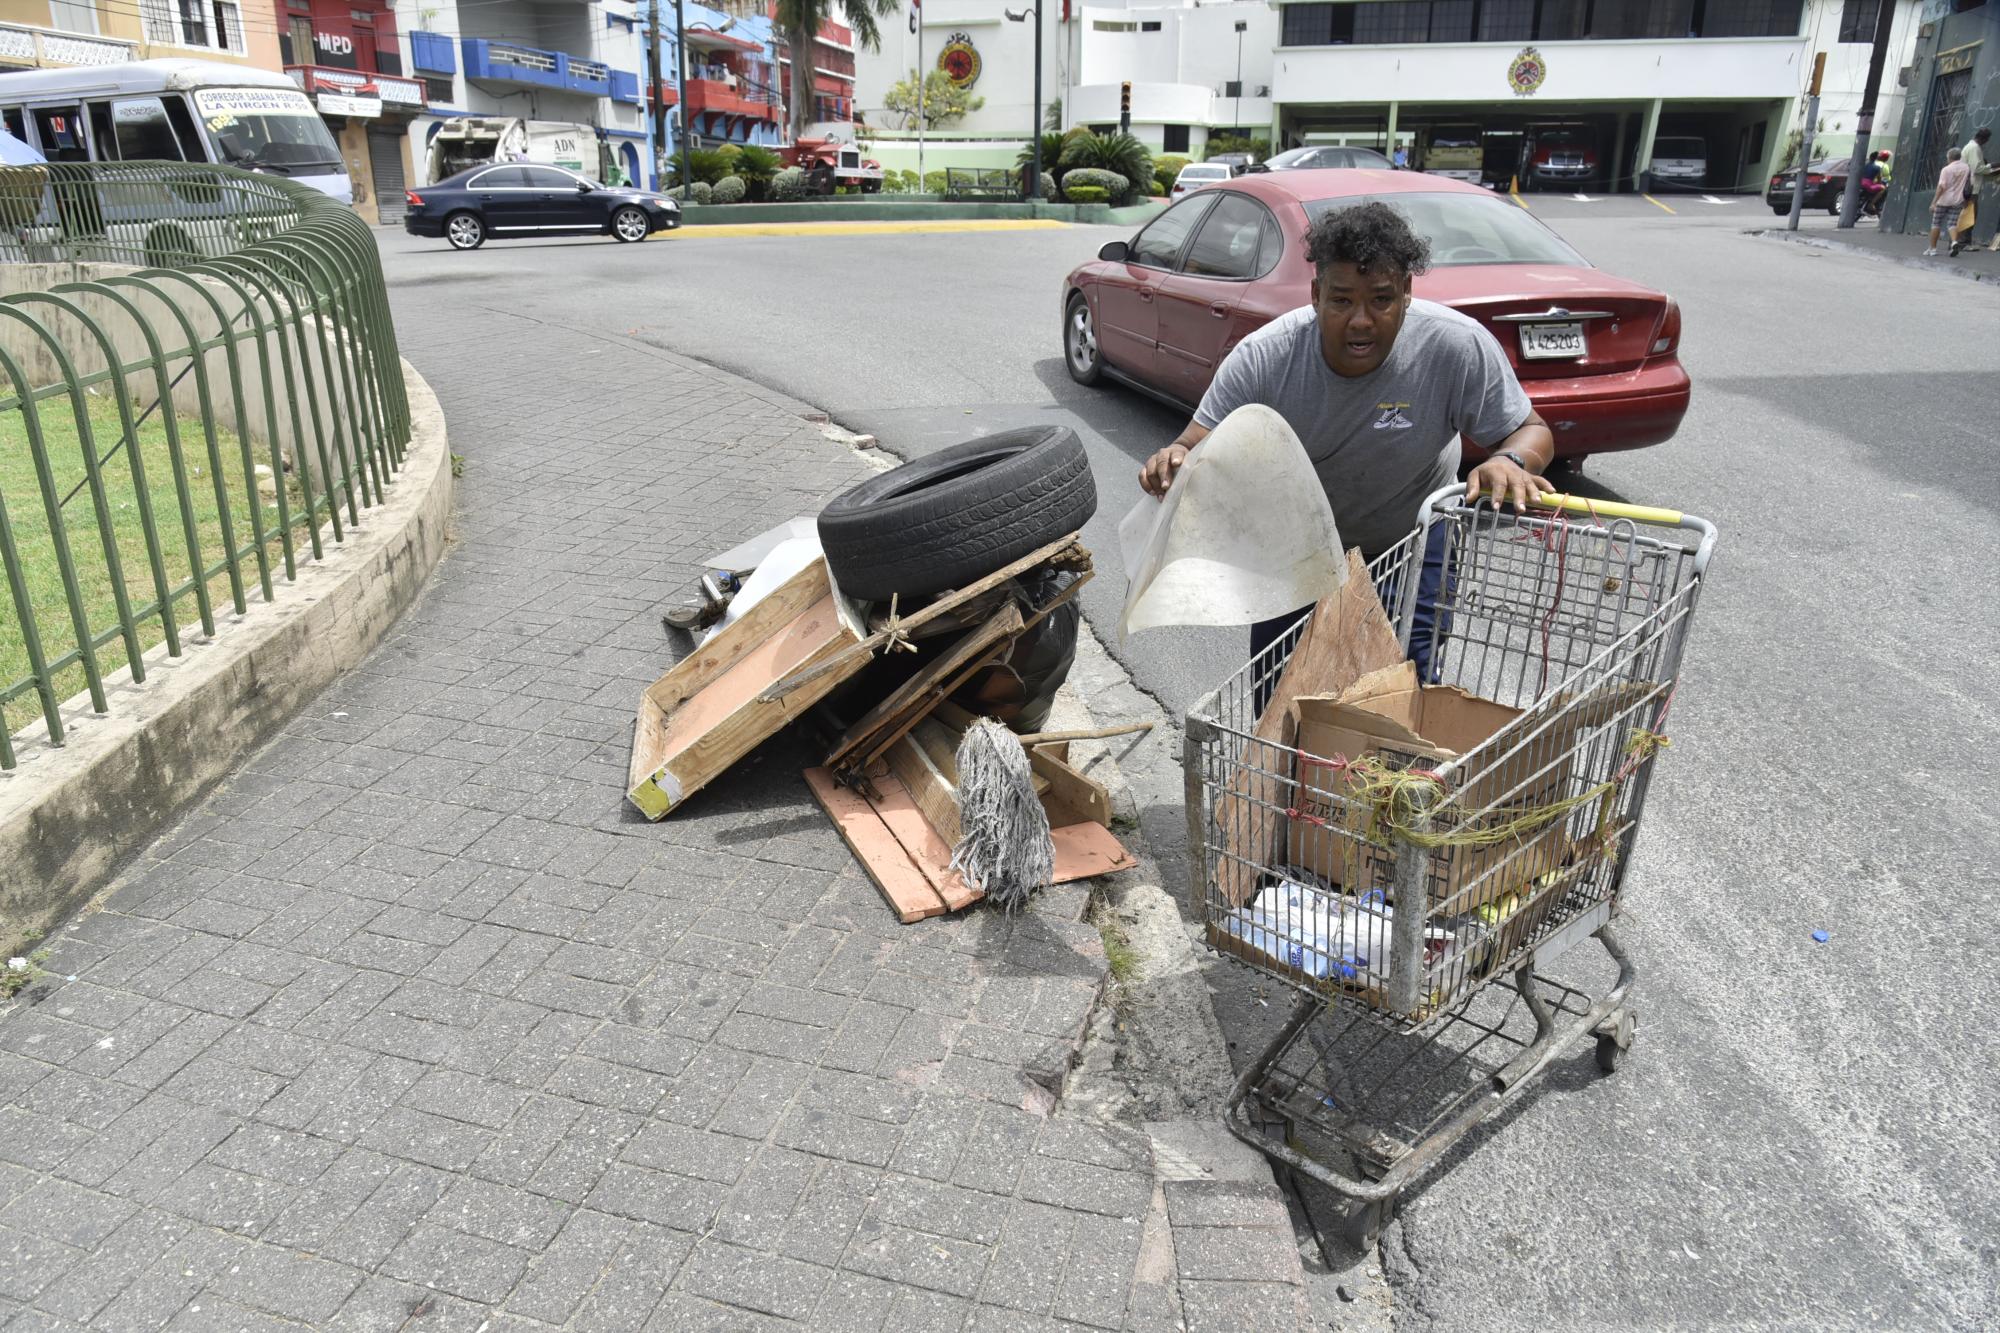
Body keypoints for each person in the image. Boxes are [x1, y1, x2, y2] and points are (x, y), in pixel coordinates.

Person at [1137, 201, 1555, 684]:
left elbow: (1532, 430)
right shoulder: (1266, 357)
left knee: (1404, 687)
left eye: (1381, 300)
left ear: (1407, 293)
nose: (1361, 320)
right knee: (1284, 694)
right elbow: (1194, 442)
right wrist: (1173, 460)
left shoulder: (1454, 346)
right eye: (1341, 301)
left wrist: (1509, 459)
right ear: (1315, 295)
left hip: (1413, 540)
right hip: (1297, 546)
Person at [1952, 126, 1990, 256]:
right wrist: (1991, 167)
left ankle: (1958, 241)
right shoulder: (1974, 148)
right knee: (1970, 214)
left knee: (1966, 214)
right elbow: (1977, 168)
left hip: (1967, 185)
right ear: (1984, 139)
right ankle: (1963, 243)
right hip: (1972, 187)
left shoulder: (1970, 146)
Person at [1929, 147, 1971, 257]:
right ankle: (1954, 242)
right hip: (1958, 200)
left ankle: (1933, 249)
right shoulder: (1966, 168)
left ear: (1949, 157)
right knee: (1952, 224)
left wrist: (1934, 202)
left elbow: (1941, 187)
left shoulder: (1946, 169)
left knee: (1936, 223)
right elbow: (1968, 184)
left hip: (1943, 200)